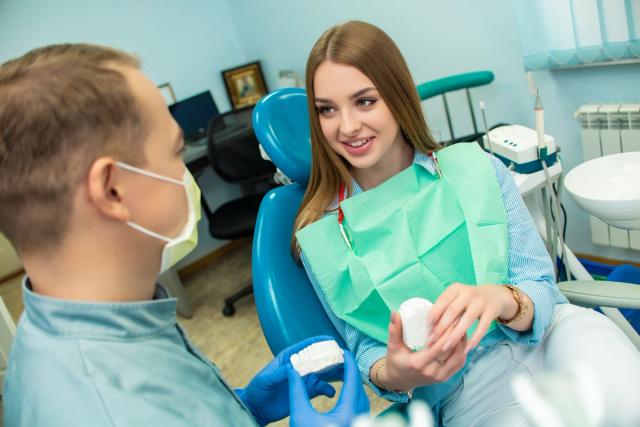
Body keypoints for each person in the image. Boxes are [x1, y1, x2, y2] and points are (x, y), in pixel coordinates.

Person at [0, 43, 369, 426]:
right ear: (112, 190)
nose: (185, 175)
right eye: (175, 153)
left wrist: (243, 408)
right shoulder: (112, 408)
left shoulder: (82, 331)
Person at [293, 20, 640, 426]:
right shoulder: (323, 236)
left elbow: (540, 284)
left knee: (627, 407)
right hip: (466, 391)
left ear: (397, 96)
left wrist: (504, 300)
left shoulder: (476, 167)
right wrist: (395, 373)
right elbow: (362, 346)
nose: (347, 126)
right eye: (327, 110)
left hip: (556, 337)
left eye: (365, 101)